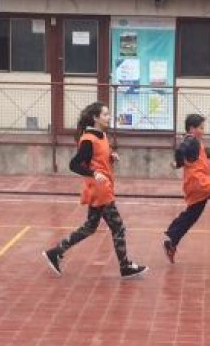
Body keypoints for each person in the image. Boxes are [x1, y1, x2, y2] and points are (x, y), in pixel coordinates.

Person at [43, 102, 147, 279]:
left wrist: (111, 157)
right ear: (95, 118)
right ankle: (125, 266)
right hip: (100, 189)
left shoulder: (101, 136)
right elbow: (74, 165)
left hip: (103, 187)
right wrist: (93, 173)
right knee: (118, 227)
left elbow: (98, 158)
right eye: (105, 115)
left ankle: (56, 251)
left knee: (90, 227)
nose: (109, 117)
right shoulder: (88, 139)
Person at [163, 113, 210, 263]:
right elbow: (179, 151)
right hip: (200, 182)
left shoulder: (194, 141)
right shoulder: (190, 140)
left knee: (192, 215)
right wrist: (179, 162)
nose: (203, 130)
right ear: (192, 128)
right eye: (201, 128)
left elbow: (205, 154)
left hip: (195, 183)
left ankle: (171, 242)